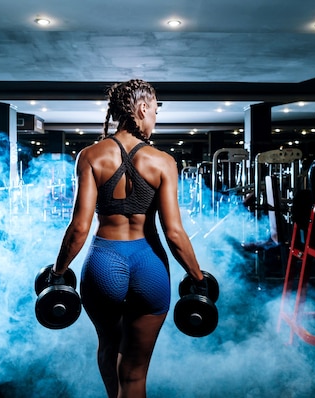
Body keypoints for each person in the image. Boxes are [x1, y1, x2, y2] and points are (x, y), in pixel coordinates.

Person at [49, 79, 207, 398]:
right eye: (155, 113)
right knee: (134, 373)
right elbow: (174, 234)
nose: (155, 122)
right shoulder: (163, 161)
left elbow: (79, 228)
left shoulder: (91, 156)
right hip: (149, 264)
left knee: (109, 348)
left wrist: (57, 272)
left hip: (103, 262)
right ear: (142, 107)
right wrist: (198, 277)